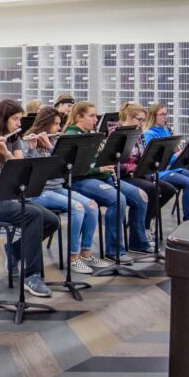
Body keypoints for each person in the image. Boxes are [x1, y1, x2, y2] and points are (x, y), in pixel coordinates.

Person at [0, 99, 59, 298]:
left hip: (11, 198)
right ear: (4, 119)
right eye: (15, 119)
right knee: (32, 215)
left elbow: (21, 168)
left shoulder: (14, 140)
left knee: (52, 221)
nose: (18, 124)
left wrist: (5, 153)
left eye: (20, 119)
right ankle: (32, 276)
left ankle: (14, 250)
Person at [61, 101, 141, 264]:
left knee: (140, 196)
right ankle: (114, 250)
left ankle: (140, 241)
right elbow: (75, 169)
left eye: (95, 116)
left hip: (100, 178)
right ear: (78, 117)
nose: (96, 120)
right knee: (118, 199)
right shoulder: (72, 136)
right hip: (81, 181)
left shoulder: (91, 134)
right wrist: (99, 169)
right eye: (91, 116)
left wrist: (107, 163)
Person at [24, 106, 101, 274]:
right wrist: (32, 149)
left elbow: (64, 169)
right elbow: (30, 172)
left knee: (92, 205)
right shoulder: (28, 142)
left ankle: (86, 252)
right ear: (45, 124)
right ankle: (72, 257)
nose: (59, 128)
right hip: (38, 192)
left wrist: (52, 149)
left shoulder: (54, 142)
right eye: (56, 124)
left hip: (57, 188)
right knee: (77, 208)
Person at [110, 102, 177, 252]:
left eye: (143, 120)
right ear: (128, 117)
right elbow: (113, 163)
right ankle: (141, 233)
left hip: (138, 173)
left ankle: (145, 220)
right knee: (152, 189)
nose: (142, 123)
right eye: (139, 120)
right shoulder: (117, 134)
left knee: (168, 189)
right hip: (123, 176)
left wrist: (150, 160)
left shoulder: (138, 133)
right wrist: (135, 167)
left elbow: (141, 156)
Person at [143, 102, 189, 218]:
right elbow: (158, 160)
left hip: (174, 168)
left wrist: (181, 153)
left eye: (166, 114)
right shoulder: (149, 134)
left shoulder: (166, 130)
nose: (165, 117)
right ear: (153, 116)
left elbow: (172, 154)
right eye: (162, 114)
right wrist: (177, 156)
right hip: (161, 171)